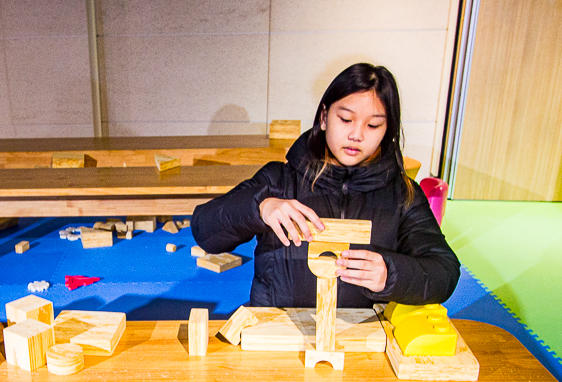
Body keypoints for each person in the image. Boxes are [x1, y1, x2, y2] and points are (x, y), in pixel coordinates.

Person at [191, 63, 460, 309]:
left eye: (373, 125)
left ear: (387, 131)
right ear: (324, 117)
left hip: (358, 340)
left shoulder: (402, 195)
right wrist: (259, 207)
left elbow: (444, 271)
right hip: (273, 332)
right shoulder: (280, 180)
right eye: (346, 119)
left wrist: (391, 274)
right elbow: (204, 230)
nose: (357, 135)